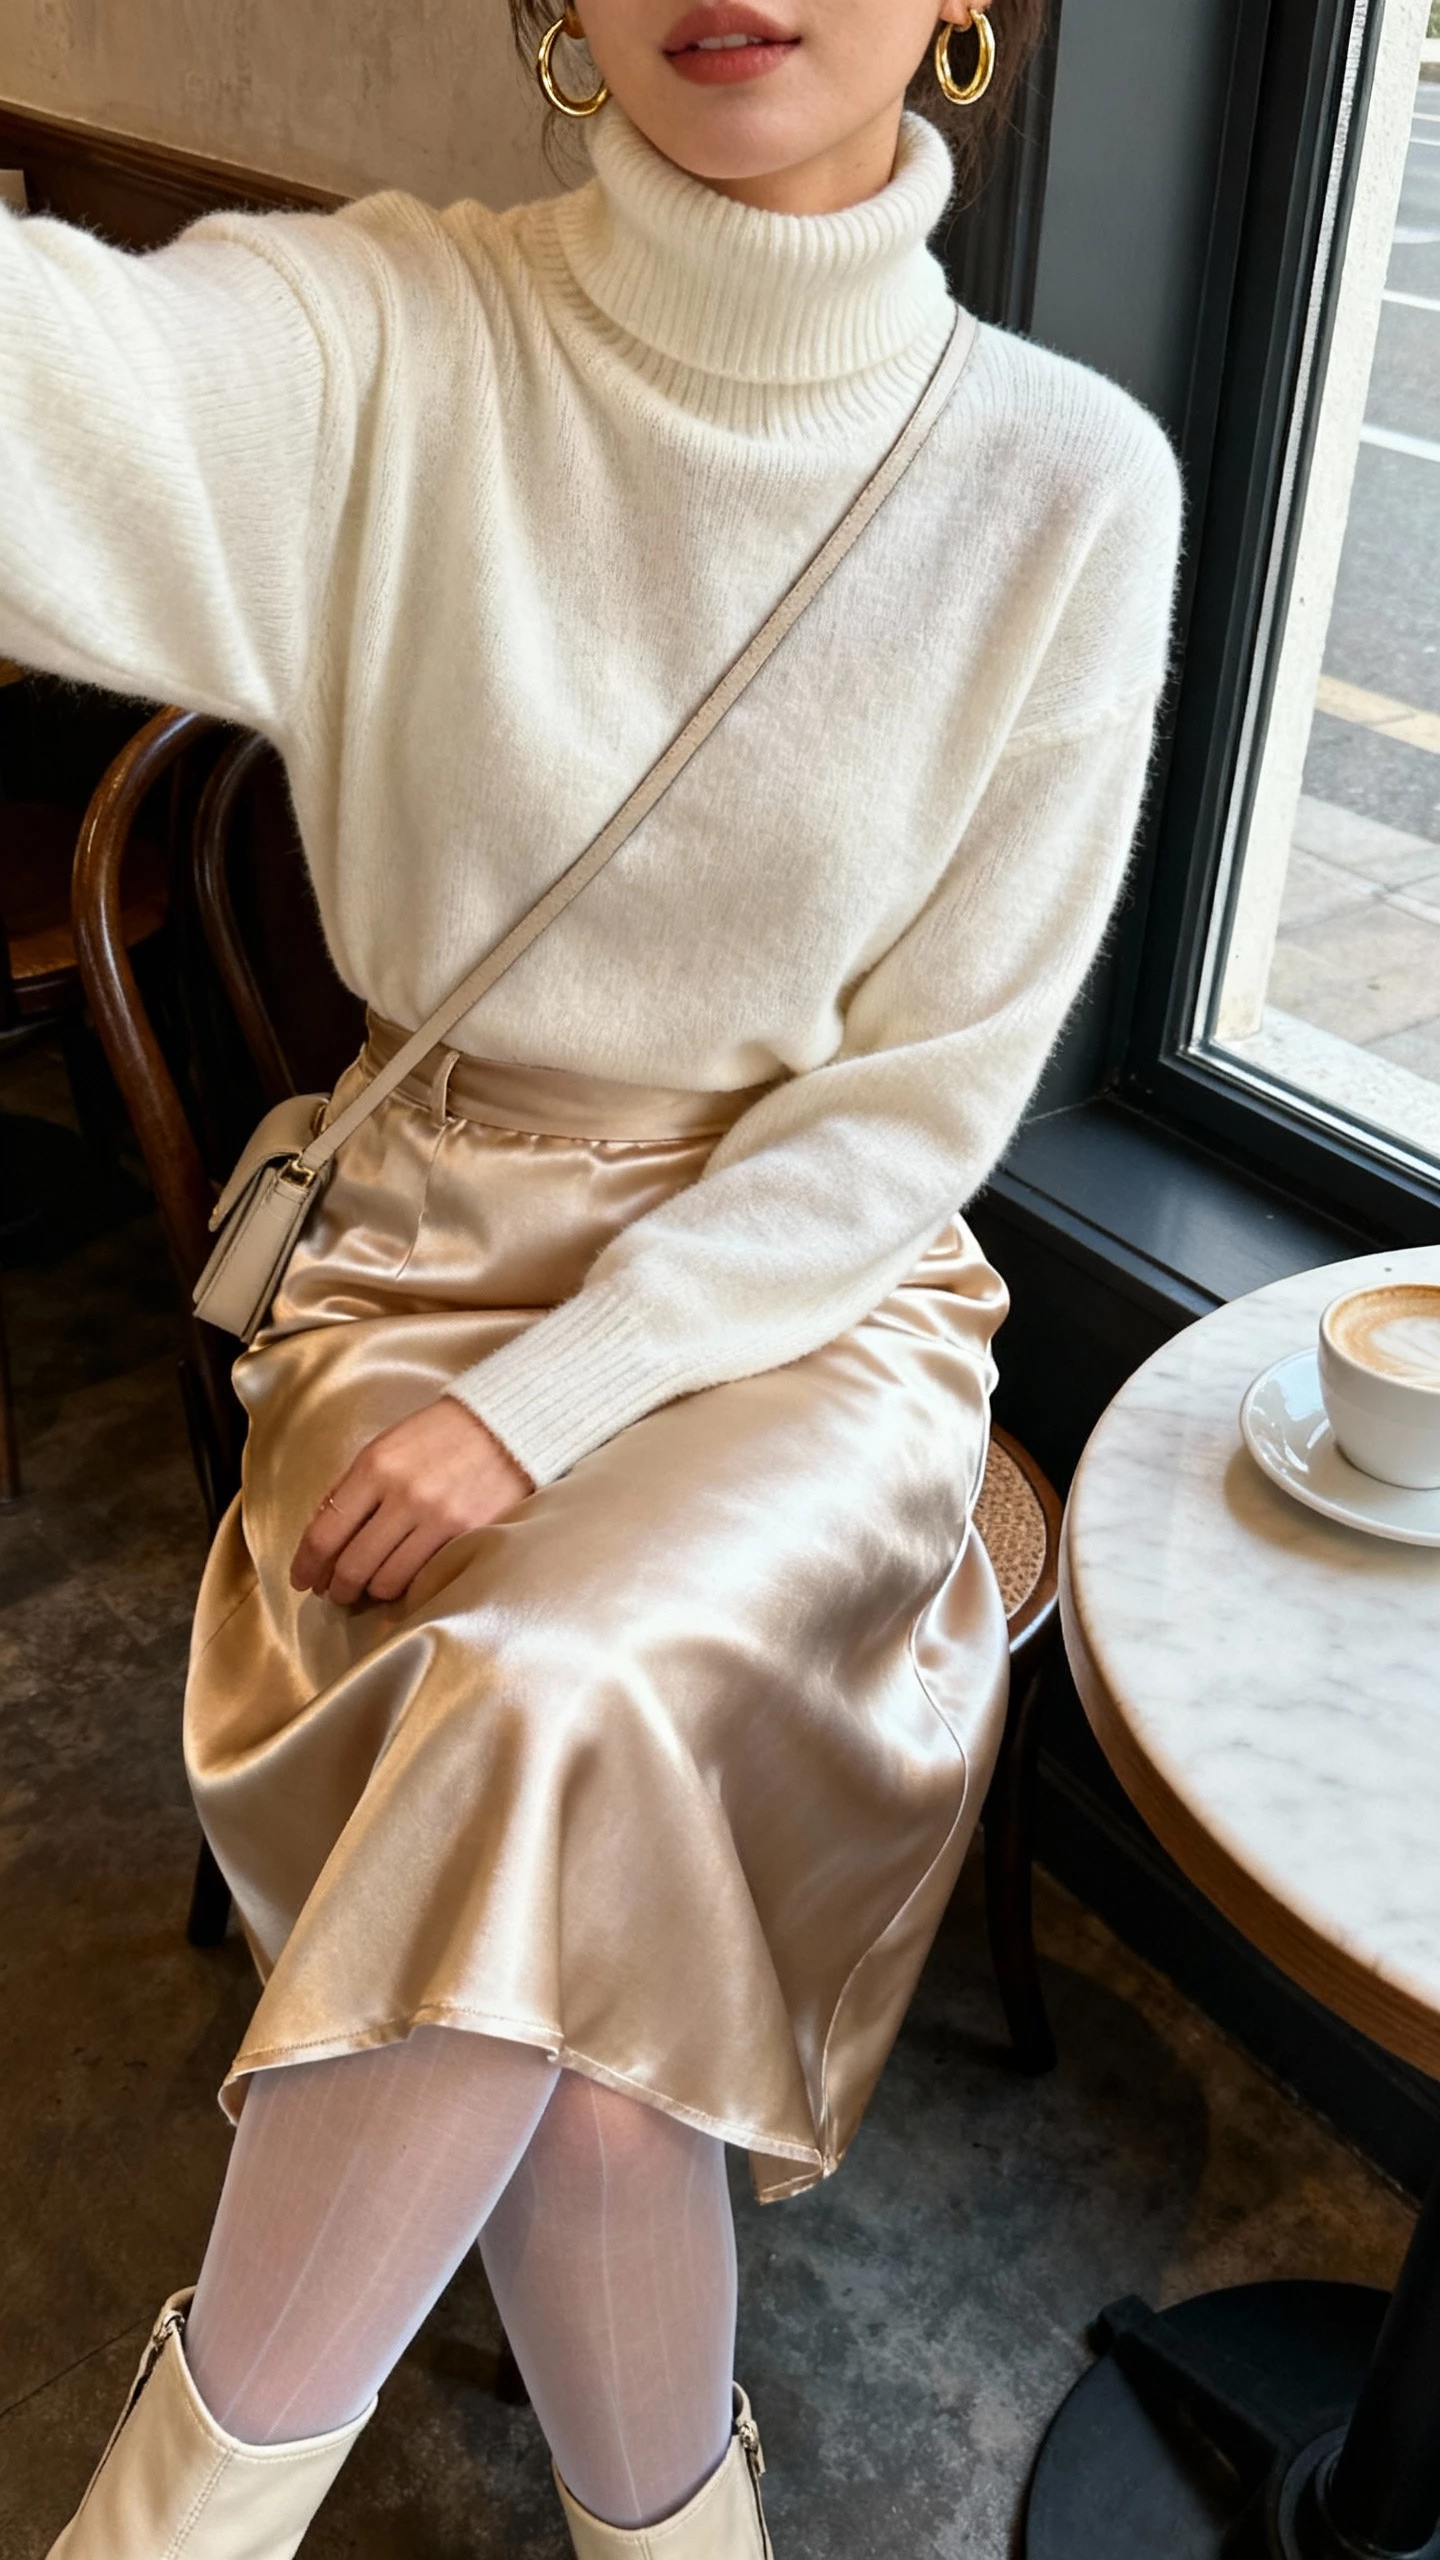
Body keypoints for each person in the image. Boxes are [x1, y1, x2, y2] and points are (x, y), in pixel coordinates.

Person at [1, 2, 1182, 2551]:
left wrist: (560, 1401)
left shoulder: (1072, 487)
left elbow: (913, 1108)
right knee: (606, 2028)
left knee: (546, 1702)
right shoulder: (394, 337)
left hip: (808, 1297)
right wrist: (488, 1371)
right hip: (425, 1247)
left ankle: (170, 2512)